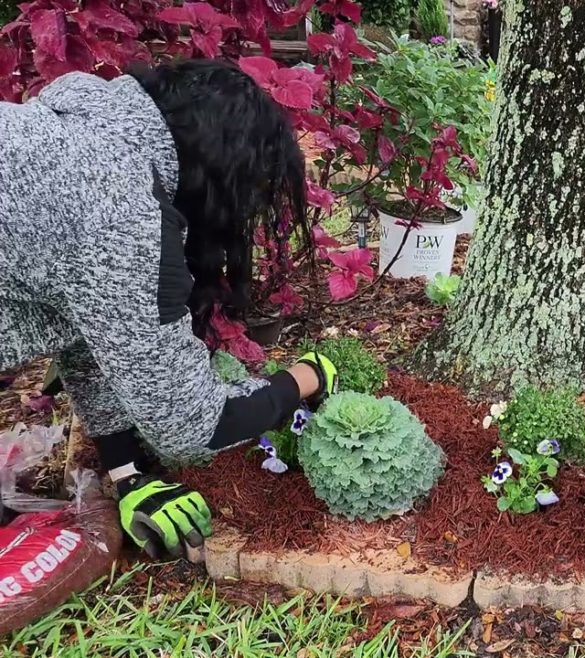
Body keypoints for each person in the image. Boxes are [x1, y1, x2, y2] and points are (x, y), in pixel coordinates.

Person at [0, 60, 338, 560]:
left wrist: (127, 473)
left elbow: (90, 328)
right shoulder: (118, 207)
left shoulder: (84, 125)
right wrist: (306, 377)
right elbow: (192, 426)